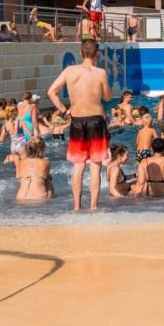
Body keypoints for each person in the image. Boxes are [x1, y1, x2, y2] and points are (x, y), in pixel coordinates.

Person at [47, 37, 112, 210]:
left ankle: (76, 207)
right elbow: (107, 97)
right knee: (96, 167)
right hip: (96, 121)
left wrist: (63, 109)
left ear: (81, 53)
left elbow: (51, 92)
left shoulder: (70, 71)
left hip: (77, 121)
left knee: (78, 166)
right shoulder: (101, 73)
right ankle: (93, 207)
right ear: (97, 54)